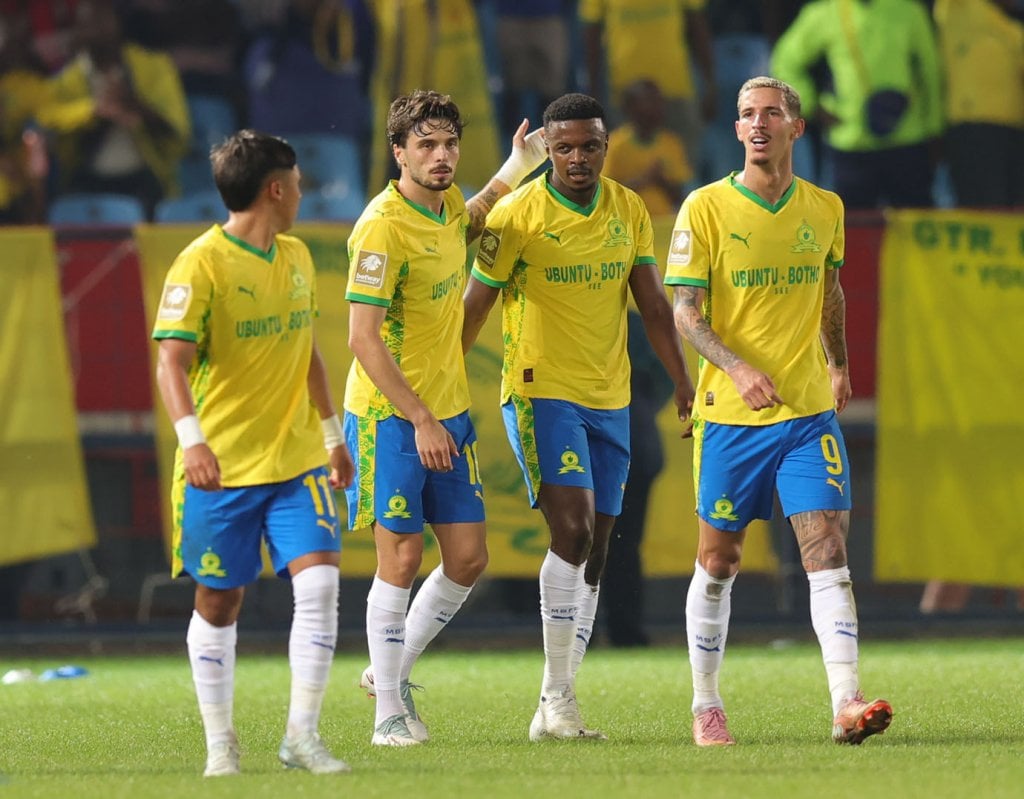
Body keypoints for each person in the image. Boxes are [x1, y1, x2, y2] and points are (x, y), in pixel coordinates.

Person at [665, 76, 892, 747]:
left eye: (770, 113)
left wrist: (840, 362)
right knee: (720, 559)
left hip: (804, 413)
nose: (757, 124)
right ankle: (706, 702)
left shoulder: (825, 207)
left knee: (826, 548)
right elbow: (685, 312)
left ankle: (846, 702)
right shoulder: (704, 208)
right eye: (744, 115)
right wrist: (735, 366)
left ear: (796, 126)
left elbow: (831, 290)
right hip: (731, 416)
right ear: (735, 130)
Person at [463, 92, 695, 741]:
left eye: (588, 145)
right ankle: (557, 698)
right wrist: (438, 380)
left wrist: (682, 379)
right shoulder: (515, 214)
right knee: (572, 528)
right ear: (546, 148)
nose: (576, 158)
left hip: (611, 397)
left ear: (605, 146)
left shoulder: (627, 209)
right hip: (540, 390)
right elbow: (476, 305)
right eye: (562, 147)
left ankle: (555, 703)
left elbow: (652, 304)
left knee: (595, 547)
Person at [344, 89, 547, 747]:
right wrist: (421, 418)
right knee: (399, 558)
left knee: (467, 557)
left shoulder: (449, 204)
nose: (440, 156)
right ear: (397, 151)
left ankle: (386, 671)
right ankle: (387, 717)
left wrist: (518, 164)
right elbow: (363, 339)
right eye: (425, 145)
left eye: (449, 143)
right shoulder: (380, 225)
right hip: (390, 417)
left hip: (449, 411)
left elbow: (475, 210)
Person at [152, 129, 355, 777]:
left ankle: (302, 735)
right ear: (274, 188)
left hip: (297, 460)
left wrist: (331, 434)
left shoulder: (295, 256)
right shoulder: (200, 264)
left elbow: (308, 352)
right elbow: (170, 365)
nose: (302, 192)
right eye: (297, 183)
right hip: (224, 468)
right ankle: (221, 742)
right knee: (220, 601)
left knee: (320, 582)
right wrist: (194, 442)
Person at [771, 0, 943, 210]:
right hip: (850, 143)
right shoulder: (825, 13)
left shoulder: (909, 11)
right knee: (850, 230)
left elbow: (931, 72)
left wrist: (935, 129)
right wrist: (811, 106)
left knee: (917, 227)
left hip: (907, 142)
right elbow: (786, 60)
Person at [36, 0, 190, 219]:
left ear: (118, 22)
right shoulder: (67, 81)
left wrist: (133, 104)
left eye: (101, 19)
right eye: (86, 21)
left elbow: (178, 133)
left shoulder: (154, 67)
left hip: (145, 182)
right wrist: (97, 112)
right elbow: (52, 126)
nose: (95, 28)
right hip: (87, 183)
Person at [602, 309, 676, 647]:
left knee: (580, 543)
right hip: (635, 440)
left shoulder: (632, 322)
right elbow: (663, 380)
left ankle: (579, 632)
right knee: (622, 545)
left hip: (622, 442)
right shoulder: (639, 322)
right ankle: (625, 631)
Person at [579, 0, 717, 179]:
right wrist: (593, 92)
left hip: (675, 91)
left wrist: (710, 83)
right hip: (628, 97)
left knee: (683, 178)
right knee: (623, 178)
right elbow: (592, 33)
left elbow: (697, 24)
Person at [933, 0, 1024, 208]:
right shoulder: (960, 9)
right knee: (983, 207)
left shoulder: (1014, 29)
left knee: (1011, 209)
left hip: (1014, 133)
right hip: (974, 130)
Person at [603, 78, 693, 219]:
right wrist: (643, 180)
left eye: (658, 102)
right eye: (648, 101)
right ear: (630, 108)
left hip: (664, 225)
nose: (656, 108)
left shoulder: (671, 144)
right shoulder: (615, 145)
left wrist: (661, 181)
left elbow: (681, 196)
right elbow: (605, 196)